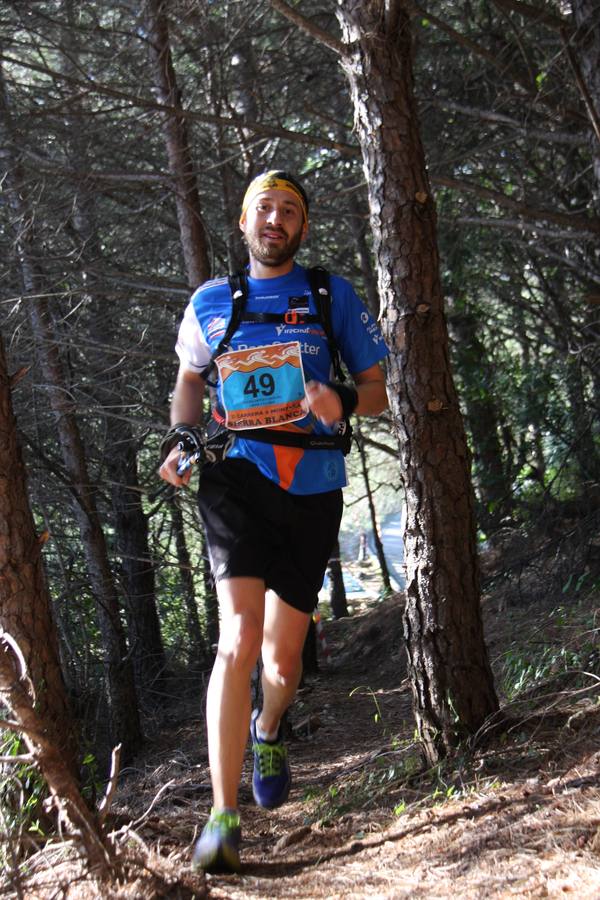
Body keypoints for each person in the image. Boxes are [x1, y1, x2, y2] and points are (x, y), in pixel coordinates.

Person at [159, 170, 388, 873]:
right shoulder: (210, 302)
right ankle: (222, 819)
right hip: (234, 479)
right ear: (244, 221)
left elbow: (377, 392)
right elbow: (190, 380)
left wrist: (340, 404)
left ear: (303, 228)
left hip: (312, 484)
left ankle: (268, 725)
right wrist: (184, 437)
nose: (276, 219)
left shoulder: (329, 296)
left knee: (282, 662)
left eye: (290, 210)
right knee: (238, 640)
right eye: (266, 207)